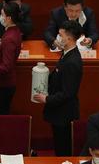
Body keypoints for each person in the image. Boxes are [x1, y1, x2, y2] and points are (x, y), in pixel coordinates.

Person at [34, 20, 84, 156]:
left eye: (60, 35)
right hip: (59, 112)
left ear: (68, 38)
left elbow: (68, 93)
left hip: (64, 114)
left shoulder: (72, 62)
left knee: (63, 149)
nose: (58, 37)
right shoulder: (66, 54)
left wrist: (47, 99)